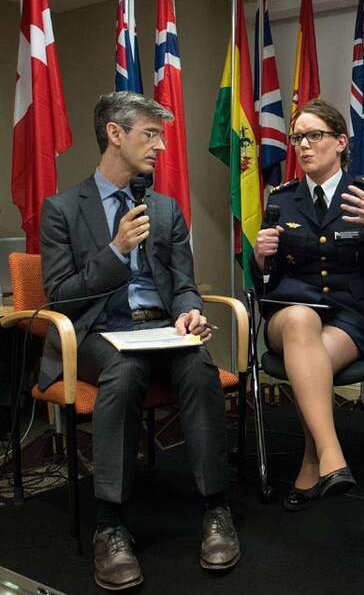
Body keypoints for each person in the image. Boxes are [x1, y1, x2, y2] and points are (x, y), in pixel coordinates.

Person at [39, 92, 239, 590]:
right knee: (123, 371)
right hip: (96, 332)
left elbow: (185, 281)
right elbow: (60, 298)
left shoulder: (166, 209)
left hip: (161, 329)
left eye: (160, 136)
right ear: (115, 133)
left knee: (199, 366)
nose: (161, 147)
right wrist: (115, 249)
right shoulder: (62, 209)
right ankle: (111, 524)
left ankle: (216, 508)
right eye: (150, 135)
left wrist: (189, 310)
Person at [251, 98, 364, 512]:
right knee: (300, 321)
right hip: (289, 312)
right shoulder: (282, 198)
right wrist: (260, 257)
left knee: (308, 361)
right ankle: (334, 452)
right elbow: (264, 280)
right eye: (297, 137)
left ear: (340, 142)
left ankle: (314, 459)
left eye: (314, 135)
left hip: (349, 317)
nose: (303, 145)